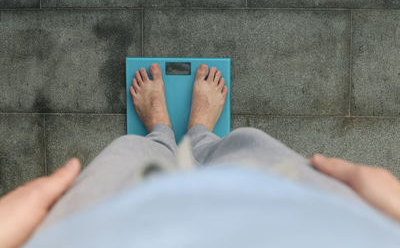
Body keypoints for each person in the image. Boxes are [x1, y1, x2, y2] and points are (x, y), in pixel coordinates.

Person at [1, 63, 400, 247]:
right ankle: (198, 134)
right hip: (313, 223)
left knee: (135, 156)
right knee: (244, 148)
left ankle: (162, 133)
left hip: (97, 229)